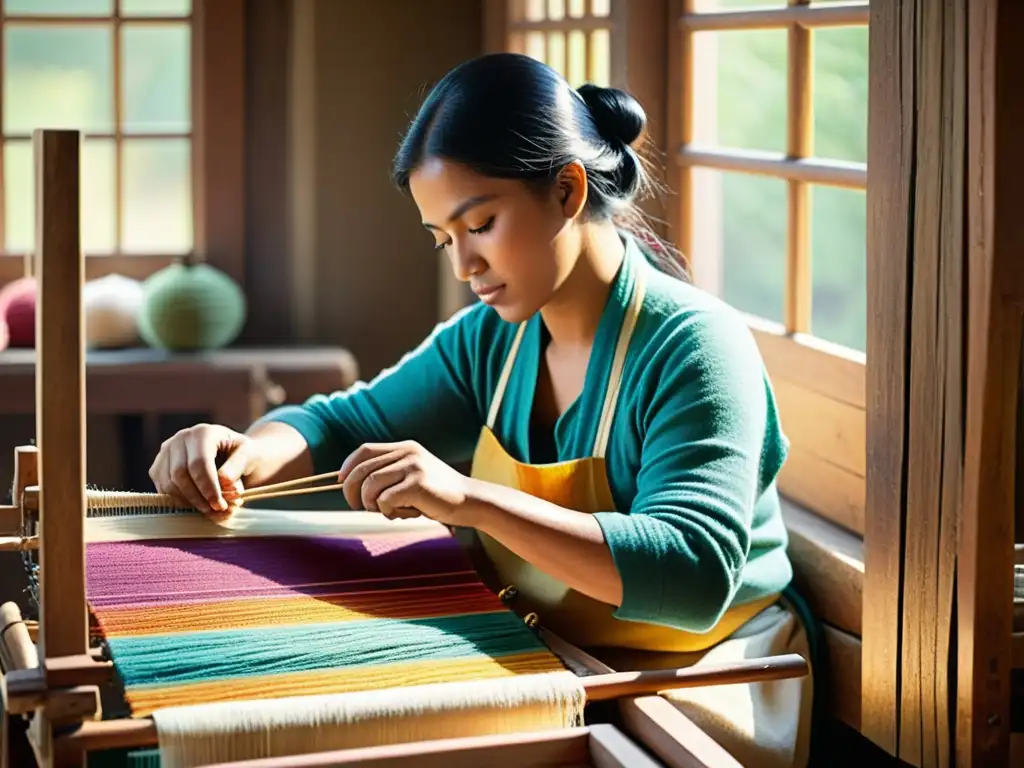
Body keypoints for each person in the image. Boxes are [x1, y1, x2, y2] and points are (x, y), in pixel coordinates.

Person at [148, 52, 814, 768]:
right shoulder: (492, 339)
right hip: (557, 660)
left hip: (703, 681)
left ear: (565, 190)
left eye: (481, 223)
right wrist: (245, 451)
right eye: (444, 239)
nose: (463, 266)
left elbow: (691, 576)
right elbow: (344, 422)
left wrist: (470, 499)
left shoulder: (695, 347)